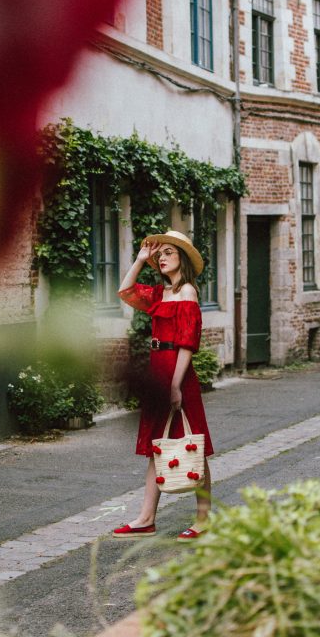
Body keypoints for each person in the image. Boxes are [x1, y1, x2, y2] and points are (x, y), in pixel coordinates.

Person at [113, 230, 214, 542]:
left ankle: (203, 519)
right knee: (156, 448)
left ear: (181, 258)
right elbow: (125, 291)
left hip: (176, 371)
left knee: (193, 443)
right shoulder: (160, 294)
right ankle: (146, 518)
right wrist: (141, 259)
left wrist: (175, 385)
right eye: (160, 255)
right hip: (159, 368)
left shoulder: (187, 294)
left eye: (168, 252)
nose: (162, 257)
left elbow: (187, 343)